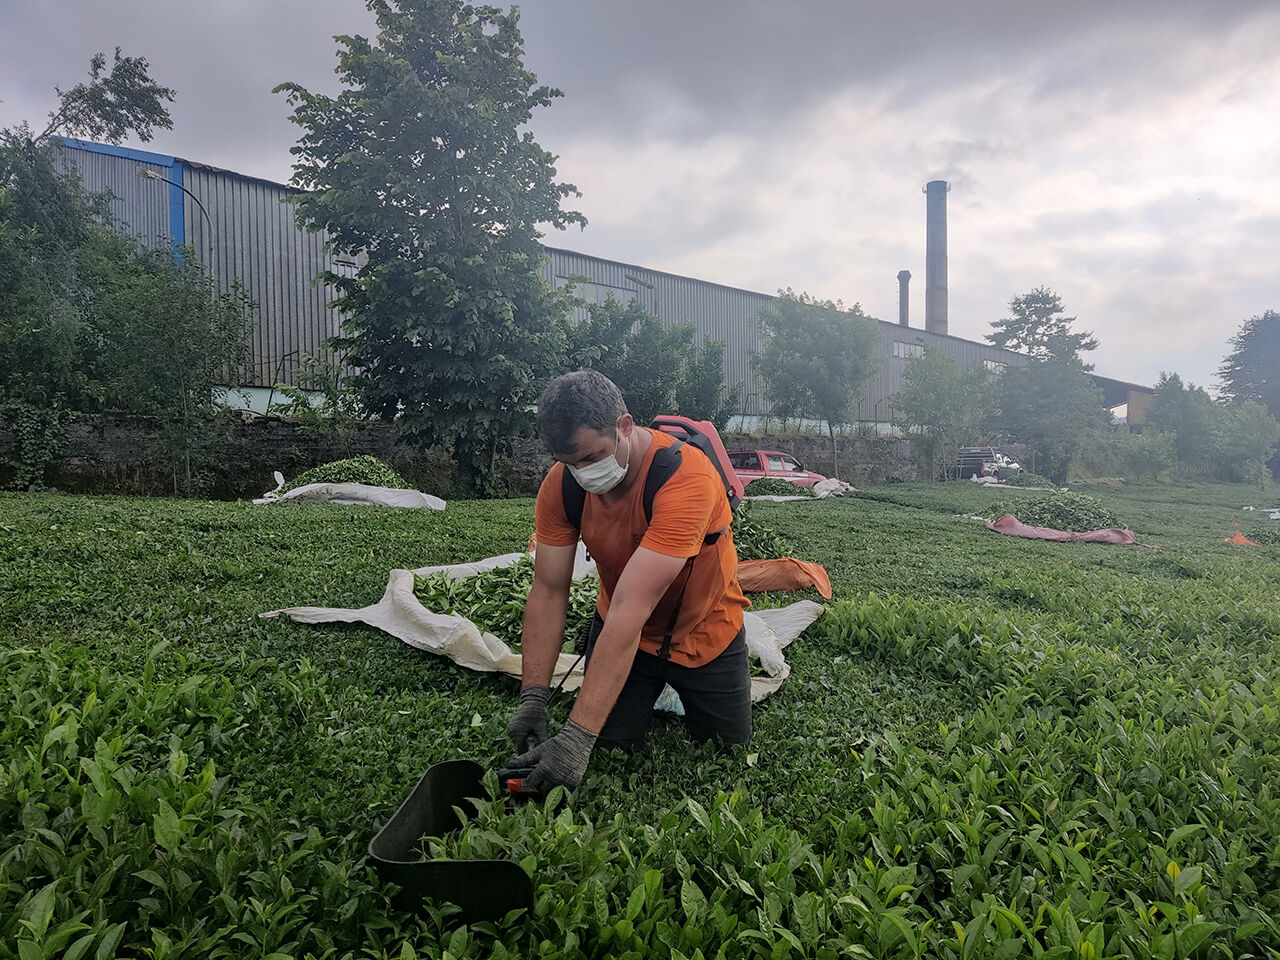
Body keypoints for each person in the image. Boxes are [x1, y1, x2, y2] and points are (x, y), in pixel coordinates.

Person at [505, 370, 751, 794]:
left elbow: (631, 609)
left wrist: (575, 739)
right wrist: (534, 694)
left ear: (623, 425)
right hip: (625, 635)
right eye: (570, 462)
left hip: (706, 631)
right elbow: (548, 591)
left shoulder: (687, 478)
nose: (583, 473)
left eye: (591, 457)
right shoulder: (562, 487)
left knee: (725, 750)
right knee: (613, 747)